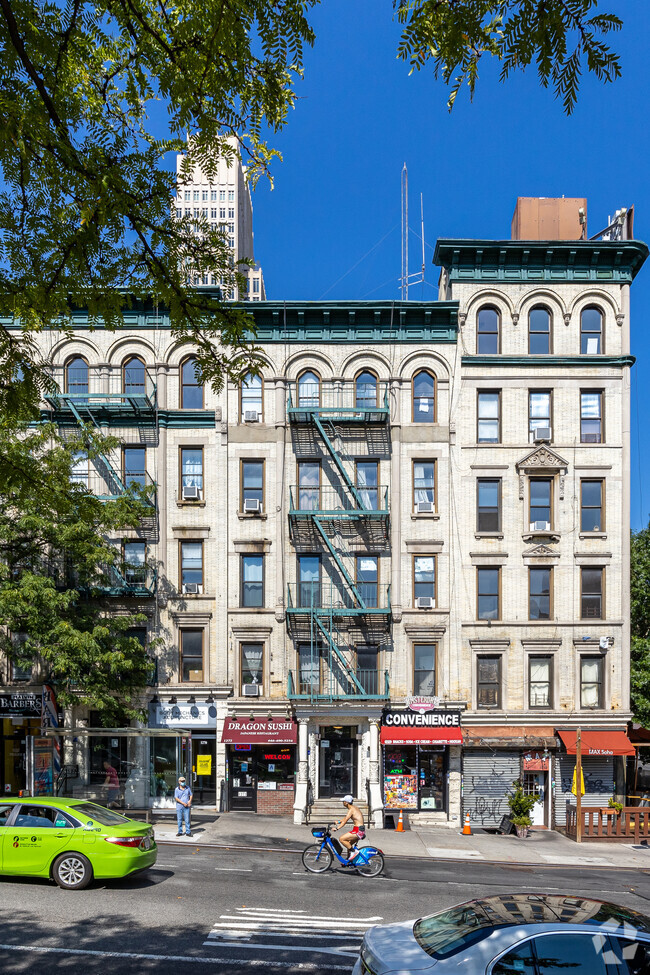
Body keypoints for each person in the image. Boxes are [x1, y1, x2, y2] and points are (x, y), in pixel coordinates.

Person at [335, 794, 365, 860]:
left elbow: (345, 821)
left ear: (346, 802)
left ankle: (354, 852)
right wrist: (339, 822)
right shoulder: (354, 808)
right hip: (359, 829)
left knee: (341, 839)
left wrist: (337, 828)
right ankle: (349, 860)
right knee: (348, 844)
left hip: (358, 831)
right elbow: (346, 818)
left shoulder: (351, 810)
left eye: (343, 801)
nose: (342, 803)